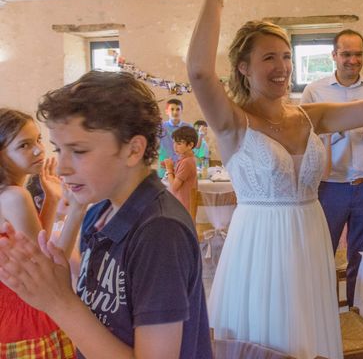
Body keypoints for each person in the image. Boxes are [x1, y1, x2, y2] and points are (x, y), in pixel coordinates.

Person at [187, 0, 363, 358]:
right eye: (268, 59)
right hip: (259, 247)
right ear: (243, 67)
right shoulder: (232, 122)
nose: (281, 67)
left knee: (308, 339)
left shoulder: (311, 115)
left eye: (285, 57)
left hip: (309, 242)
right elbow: (198, 71)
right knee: (264, 339)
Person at [0, 72, 212, 359]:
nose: (61, 167)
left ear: (133, 149)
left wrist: (59, 303)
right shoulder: (101, 209)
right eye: (59, 149)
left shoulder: (160, 231)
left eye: (78, 151)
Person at [300, 29, 363, 307]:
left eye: (358, 54)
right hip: (329, 187)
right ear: (334, 56)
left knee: (362, 257)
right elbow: (302, 139)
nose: (353, 60)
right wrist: (329, 134)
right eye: (346, 54)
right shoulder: (315, 91)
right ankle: (321, 315)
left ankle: (358, 312)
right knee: (322, 255)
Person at [0, 108, 82, 358]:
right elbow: (49, 266)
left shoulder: (9, 192)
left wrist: (52, 200)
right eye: (24, 145)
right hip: (24, 313)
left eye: (37, 139)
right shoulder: (15, 196)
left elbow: (34, 244)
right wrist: (77, 210)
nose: (39, 149)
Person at [164, 125, 199, 213]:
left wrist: (169, 169)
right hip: (183, 204)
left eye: (179, 143)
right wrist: (171, 167)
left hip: (183, 206)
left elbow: (174, 187)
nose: (175, 146)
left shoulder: (186, 162)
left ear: (190, 145)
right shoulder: (187, 159)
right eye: (174, 142)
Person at [157, 98, 192, 178]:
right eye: (172, 109)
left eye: (178, 109)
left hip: (183, 169)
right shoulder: (160, 127)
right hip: (164, 169)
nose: (175, 112)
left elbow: (192, 148)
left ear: (181, 111)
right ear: (166, 111)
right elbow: (154, 144)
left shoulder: (188, 127)